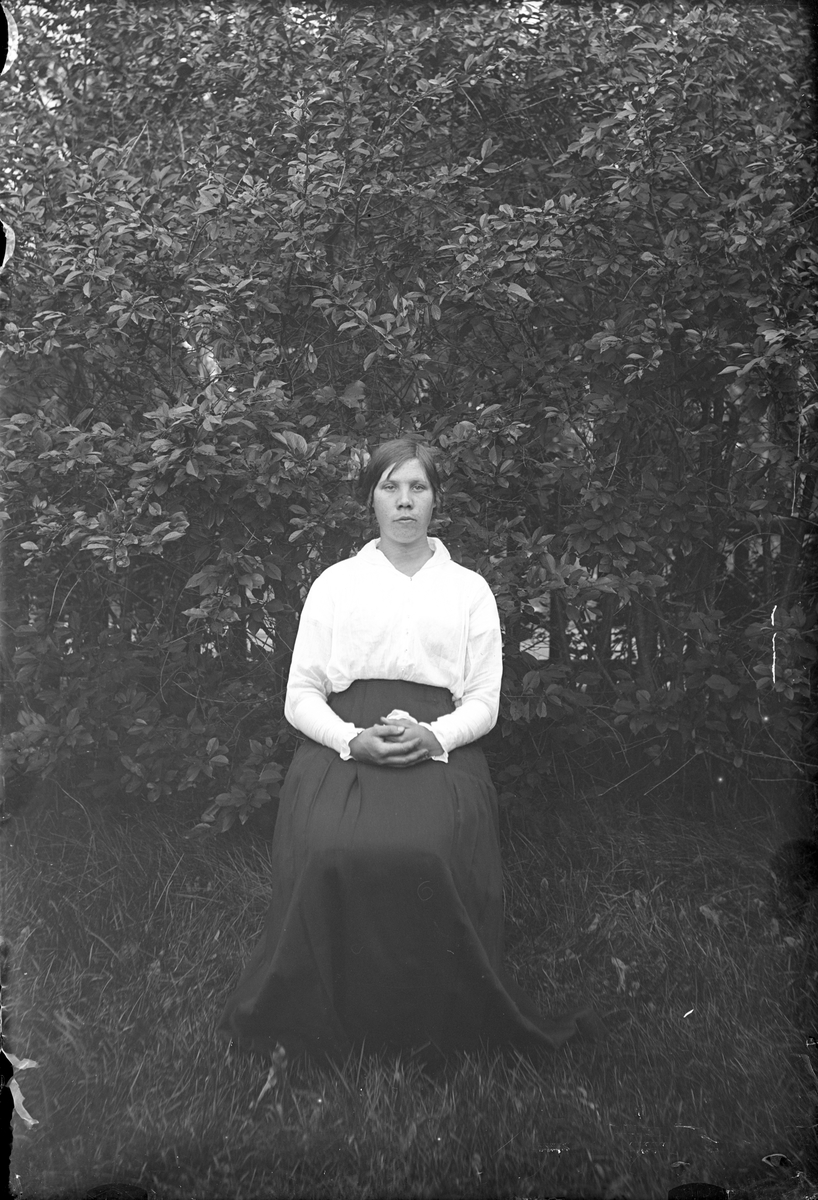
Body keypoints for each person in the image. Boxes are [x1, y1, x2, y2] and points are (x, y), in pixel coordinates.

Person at [219, 437, 597, 1057]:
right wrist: (351, 740)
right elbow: (300, 695)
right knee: (330, 848)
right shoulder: (336, 584)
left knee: (427, 852)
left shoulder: (469, 590)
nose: (403, 501)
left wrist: (435, 735)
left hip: (439, 743)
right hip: (345, 743)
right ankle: (320, 1016)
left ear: (435, 499)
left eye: (417, 487)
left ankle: (429, 1021)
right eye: (390, 487)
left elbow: (484, 701)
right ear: (370, 499)